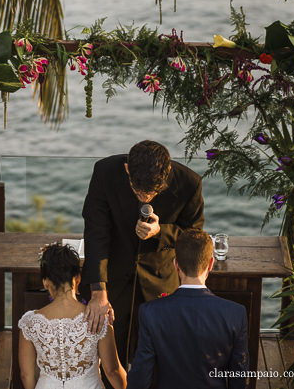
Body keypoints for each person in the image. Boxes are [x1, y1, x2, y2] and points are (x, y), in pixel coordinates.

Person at [81, 140, 204, 376]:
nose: (146, 198)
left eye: (153, 193)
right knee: (108, 363)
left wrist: (162, 232)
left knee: (159, 363)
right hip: (112, 283)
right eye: (138, 191)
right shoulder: (104, 172)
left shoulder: (189, 183)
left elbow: (195, 236)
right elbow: (96, 231)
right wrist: (98, 290)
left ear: (167, 174)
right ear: (127, 169)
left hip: (160, 284)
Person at [127, 229, 249, 389]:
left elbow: (140, 378)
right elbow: (239, 377)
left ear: (176, 264)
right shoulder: (235, 314)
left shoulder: (151, 312)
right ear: (210, 264)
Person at [18, 243, 127, 389]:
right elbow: (112, 371)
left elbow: (26, 374)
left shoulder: (29, 323)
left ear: (45, 282)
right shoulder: (99, 319)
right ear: (78, 278)